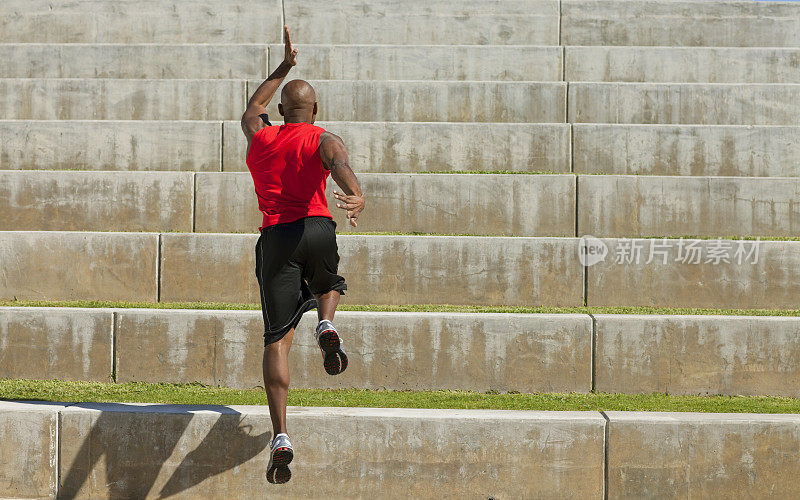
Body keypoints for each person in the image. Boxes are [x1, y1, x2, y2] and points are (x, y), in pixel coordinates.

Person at [240, 25, 366, 484]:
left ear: (279, 111)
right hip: (317, 228)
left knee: (277, 340)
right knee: (329, 282)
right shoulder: (320, 136)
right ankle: (327, 323)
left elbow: (253, 107)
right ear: (314, 110)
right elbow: (340, 164)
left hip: (276, 238)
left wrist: (284, 65)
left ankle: (281, 436)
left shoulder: (259, 136)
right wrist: (356, 195)